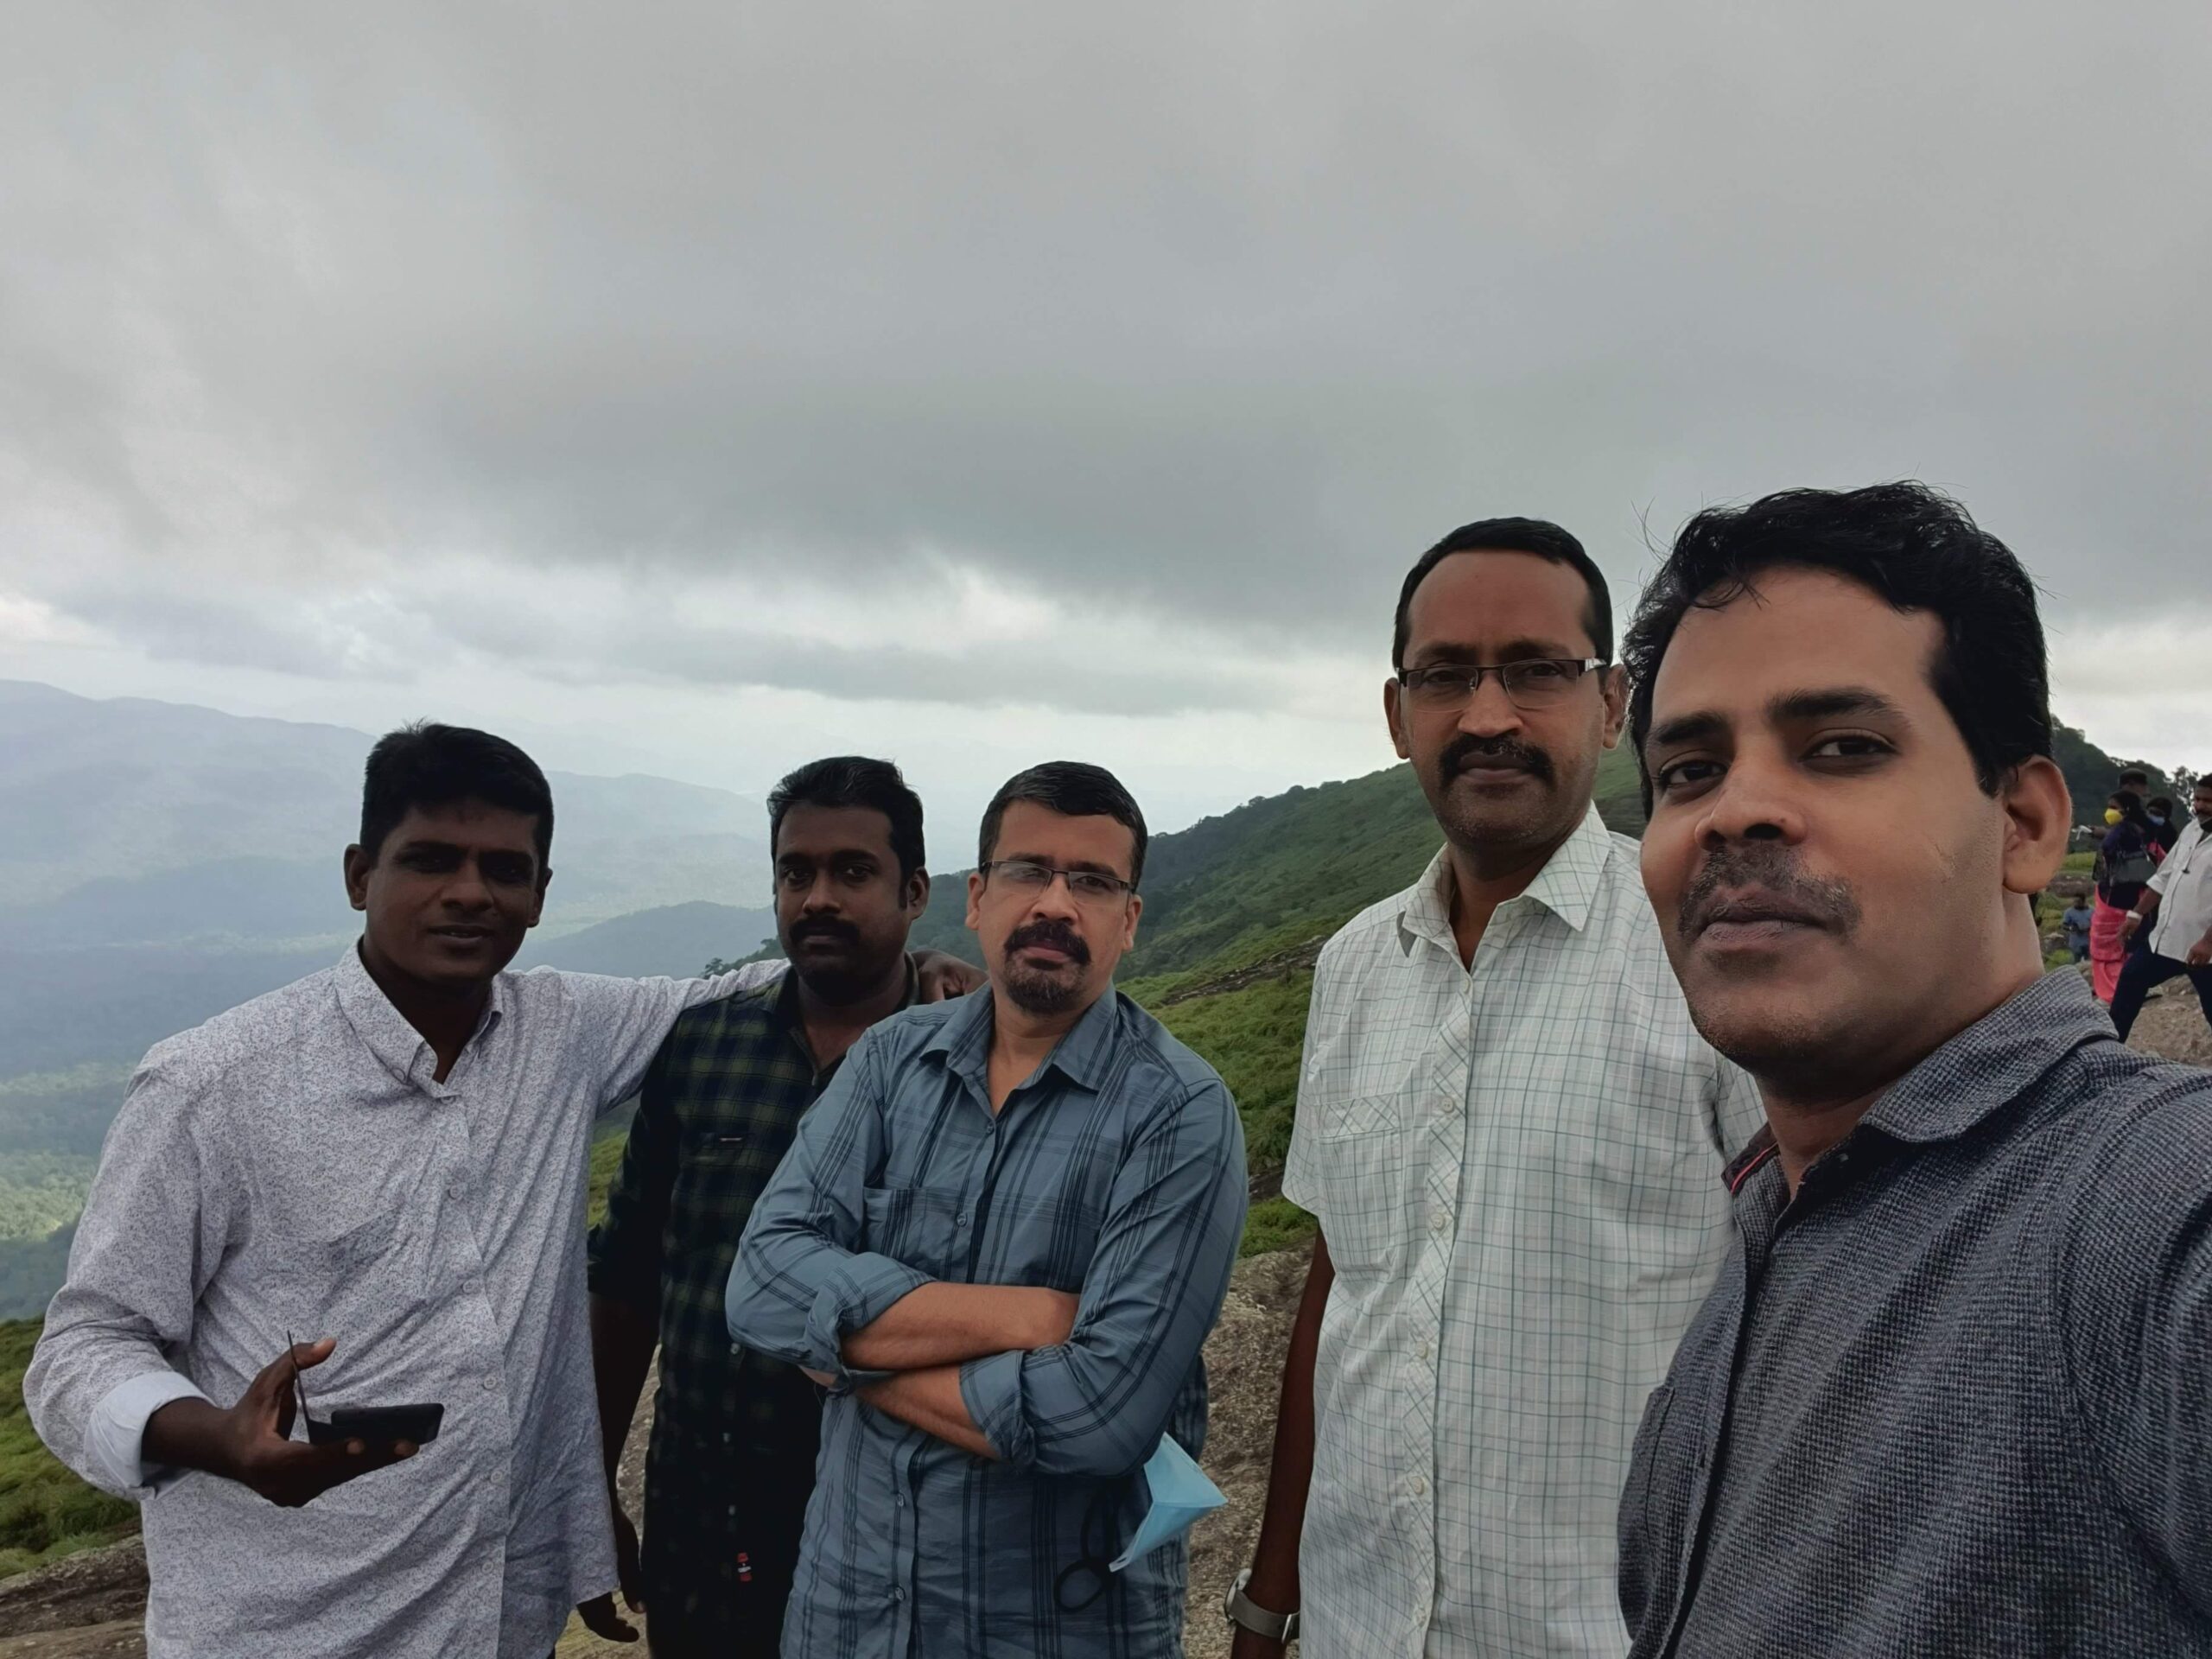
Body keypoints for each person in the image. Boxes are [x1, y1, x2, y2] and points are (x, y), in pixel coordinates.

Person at [23, 723, 980, 1659]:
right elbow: (81, 1347)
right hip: (290, 1618)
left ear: (539, 893)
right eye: (431, 860)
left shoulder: (560, 1031)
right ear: (361, 874)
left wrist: (928, 974)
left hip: (499, 1611)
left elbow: (793, 985)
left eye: (504, 870)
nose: (468, 894)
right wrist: (215, 1437)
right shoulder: (213, 1085)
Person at [1618, 481, 2212, 1656]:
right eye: (1689, 771)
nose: (1736, 811)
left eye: (1842, 748)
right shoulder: (1771, 1214)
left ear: (2027, 826)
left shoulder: (2145, 1209)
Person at [1225, 520, 1761, 1659]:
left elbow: (1813, 1316)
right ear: (1396, 712)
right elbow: (1340, 1296)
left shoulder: (1706, 951)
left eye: (1534, 671)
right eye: (1447, 677)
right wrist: (1271, 1602)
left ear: (1614, 703)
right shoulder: (1356, 964)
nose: (1486, 716)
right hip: (1355, 1626)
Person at [725, 761, 1248, 1659]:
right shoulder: (892, 1062)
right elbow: (761, 1281)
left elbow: (1098, 1415)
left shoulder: (1178, 1113)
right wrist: (1026, 1317)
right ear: (975, 898)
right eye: (1025, 872)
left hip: (1054, 1628)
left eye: (1091, 882)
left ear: (1128, 922)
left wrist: (846, 1356)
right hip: (846, 1612)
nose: (1054, 903)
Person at [588, 757, 933, 1658]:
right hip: (704, 1523)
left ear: (915, 891)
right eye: (795, 872)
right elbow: (626, 1283)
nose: (817, 897)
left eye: (853, 872)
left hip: (897, 1534)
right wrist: (589, 1489)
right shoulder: (703, 1052)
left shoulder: (959, 1071)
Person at [2112, 774, 2212, 1040]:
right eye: (2197, 799)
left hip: (2205, 950)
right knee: (2131, 979)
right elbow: (2165, 876)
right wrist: (2136, 914)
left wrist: (2208, 942)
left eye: (2208, 801)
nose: (2200, 806)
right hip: (2167, 940)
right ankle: (2107, 1052)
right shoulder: (2192, 830)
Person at [2088, 790, 2158, 1001]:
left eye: (2113, 807)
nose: (2109, 811)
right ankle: (2136, 985)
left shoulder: (2121, 829)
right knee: (2132, 940)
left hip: (2116, 893)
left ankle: (2110, 990)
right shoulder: (2143, 829)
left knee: (2107, 940)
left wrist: (2104, 836)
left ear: (2125, 809)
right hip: (2136, 891)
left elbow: (2108, 848)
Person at [2059, 894, 2094, 962]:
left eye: (2078, 901)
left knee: (2089, 963)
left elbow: (2097, 924)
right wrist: (2072, 928)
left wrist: (2090, 928)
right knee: (2076, 962)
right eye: (2075, 901)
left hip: (2090, 942)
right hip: (2076, 943)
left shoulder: (2092, 911)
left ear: (2084, 901)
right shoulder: (2069, 912)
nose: (2076, 903)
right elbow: (2064, 925)